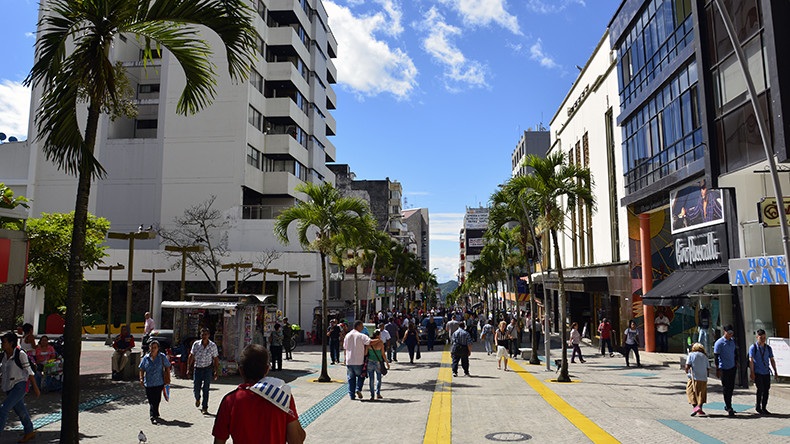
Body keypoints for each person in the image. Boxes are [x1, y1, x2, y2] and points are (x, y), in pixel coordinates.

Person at [212, 344, 306, 444]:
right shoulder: (281, 395)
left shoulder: (230, 400)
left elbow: (219, 441)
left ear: (240, 370)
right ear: (267, 369)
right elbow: (296, 440)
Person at [0, 331, 40, 443]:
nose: (2, 344)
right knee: (20, 411)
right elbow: (3, 372)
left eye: (4, 342)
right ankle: (29, 431)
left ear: (11, 343)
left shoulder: (20, 354)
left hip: (20, 385)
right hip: (8, 386)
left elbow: (29, 372)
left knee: (3, 410)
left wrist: (36, 388)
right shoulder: (4, 355)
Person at [343, 321, 382, 400]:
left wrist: (345, 358)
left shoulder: (348, 335)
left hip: (349, 361)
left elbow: (345, 348)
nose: (363, 328)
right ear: (358, 326)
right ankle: (358, 389)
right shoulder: (361, 336)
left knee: (351, 378)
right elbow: (370, 342)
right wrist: (379, 340)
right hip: (359, 361)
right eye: (362, 326)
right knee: (361, 376)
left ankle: (352, 395)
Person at [187, 328, 219, 414]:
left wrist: (216, 371)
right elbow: (191, 356)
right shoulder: (196, 344)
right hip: (197, 369)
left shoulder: (212, 345)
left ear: (208, 335)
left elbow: (215, 358)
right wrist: (188, 368)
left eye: (205, 334)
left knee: (206, 389)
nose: (204, 336)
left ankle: (205, 407)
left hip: (207, 369)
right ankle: (197, 398)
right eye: (202, 334)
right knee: (196, 388)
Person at [138, 340, 171, 424]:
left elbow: (168, 366)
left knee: (156, 400)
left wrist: (168, 377)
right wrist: (141, 378)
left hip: (159, 382)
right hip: (148, 383)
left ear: (158, 348)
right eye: (151, 347)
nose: (153, 349)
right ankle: (155, 413)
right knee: (151, 400)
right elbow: (141, 369)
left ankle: (152, 415)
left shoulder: (162, 356)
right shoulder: (146, 358)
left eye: (155, 347)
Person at [749, 329, 778, 415]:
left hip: (766, 372)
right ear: (757, 337)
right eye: (761, 338)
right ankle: (758, 406)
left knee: (766, 390)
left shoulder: (768, 348)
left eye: (764, 338)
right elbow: (751, 360)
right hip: (758, 372)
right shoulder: (753, 347)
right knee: (760, 389)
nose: (763, 339)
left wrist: (775, 371)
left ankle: (764, 407)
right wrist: (752, 372)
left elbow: (772, 360)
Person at [713, 324, 737, 417]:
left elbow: (735, 353)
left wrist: (736, 363)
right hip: (724, 368)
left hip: (732, 367)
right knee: (726, 388)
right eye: (729, 332)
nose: (730, 334)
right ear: (724, 332)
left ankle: (728, 405)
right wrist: (717, 369)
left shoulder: (732, 341)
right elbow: (716, 356)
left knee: (731, 387)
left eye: (732, 332)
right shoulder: (719, 343)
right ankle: (728, 406)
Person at [685, 343, 710, 417]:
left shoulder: (691, 354)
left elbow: (687, 365)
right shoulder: (705, 356)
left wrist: (686, 371)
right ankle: (700, 408)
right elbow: (707, 368)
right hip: (703, 377)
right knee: (701, 393)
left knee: (690, 391)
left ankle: (695, 406)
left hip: (694, 376)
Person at [365, 330, 389, 400]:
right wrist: (387, 362)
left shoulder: (369, 342)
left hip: (370, 362)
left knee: (371, 379)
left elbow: (365, 353)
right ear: (378, 335)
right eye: (380, 334)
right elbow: (383, 354)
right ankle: (378, 393)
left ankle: (372, 395)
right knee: (379, 378)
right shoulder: (380, 343)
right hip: (378, 362)